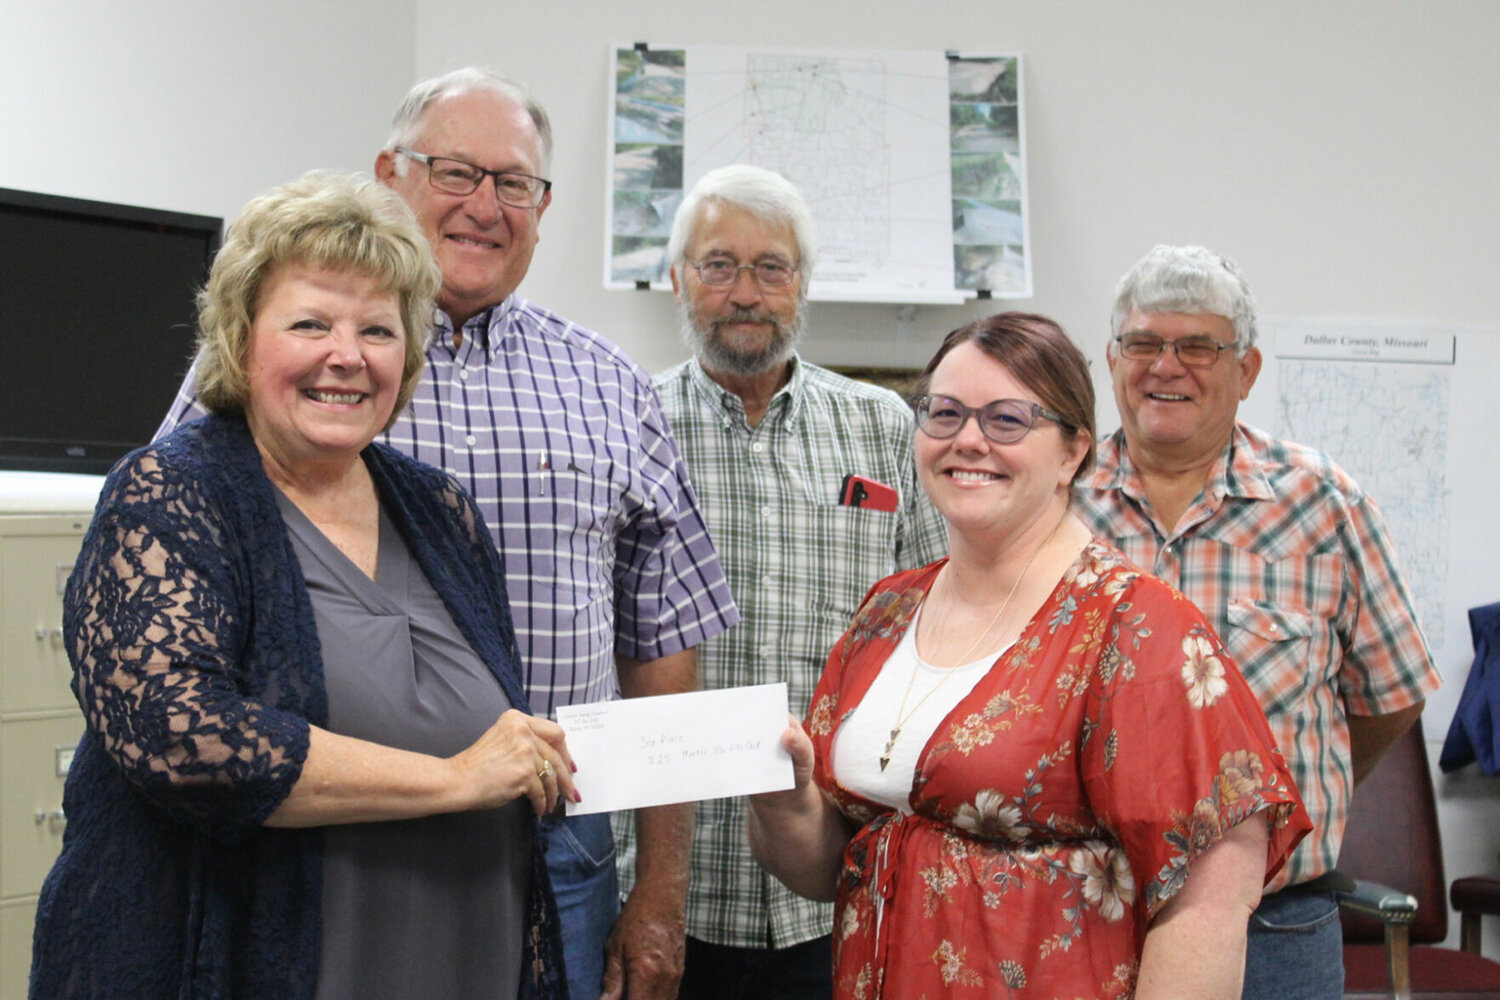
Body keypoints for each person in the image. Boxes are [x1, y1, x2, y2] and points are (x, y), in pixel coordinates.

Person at [155, 68, 739, 1000]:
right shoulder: (278, 370)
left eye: (515, 184)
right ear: (391, 173)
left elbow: (661, 643)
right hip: (319, 826)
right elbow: (164, 569)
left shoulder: (612, 386)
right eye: (456, 172)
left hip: (559, 834)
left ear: (542, 208)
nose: (485, 206)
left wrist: (662, 890)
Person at [31, 172, 574, 1000]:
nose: (347, 356)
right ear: (243, 338)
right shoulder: (169, 494)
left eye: (378, 330)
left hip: (465, 956)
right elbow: (182, 738)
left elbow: (491, 728)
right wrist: (457, 780)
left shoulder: (439, 511)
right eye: (311, 323)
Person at [747, 312, 1312, 999]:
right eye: (945, 414)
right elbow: (830, 864)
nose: (968, 441)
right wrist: (784, 800)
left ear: (1073, 450)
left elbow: (1210, 902)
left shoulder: (1138, 630)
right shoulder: (887, 614)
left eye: (1007, 420)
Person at [1072, 245, 1441, 1000]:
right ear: (1112, 360)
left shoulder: (1322, 503)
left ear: (1246, 369)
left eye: (1197, 346)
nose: (1165, 366)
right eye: (1143, 343)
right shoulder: (1057, 502)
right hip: (1085, 914)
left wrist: (1285, 803)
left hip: (1276, 929)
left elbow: (1392, 695)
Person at [621, 164, 947, 999]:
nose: (745, 293)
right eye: (718, 265)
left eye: (772, 268)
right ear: (676, 281)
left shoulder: (882, 427)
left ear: (804, 284)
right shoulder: (628, 425)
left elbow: (940, 633)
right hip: (670, 886)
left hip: (838, 882)